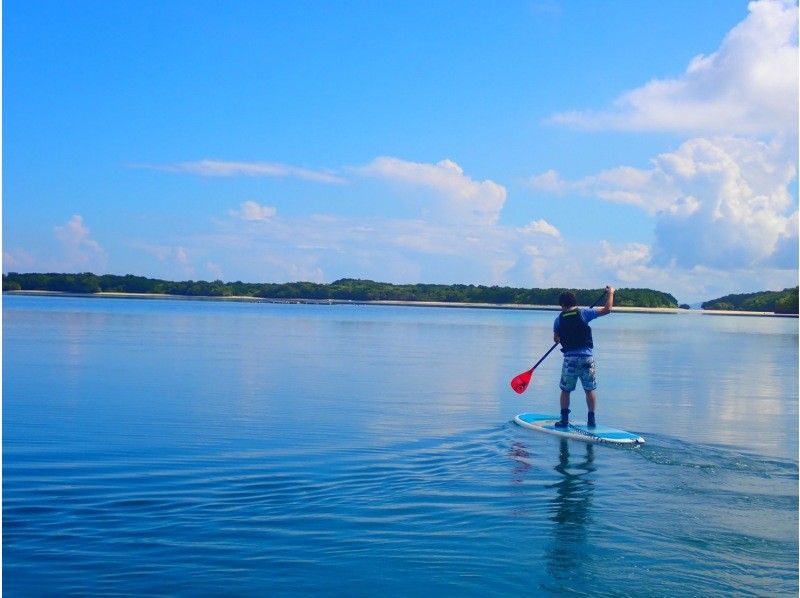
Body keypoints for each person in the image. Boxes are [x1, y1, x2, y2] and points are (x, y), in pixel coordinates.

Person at [552, 286, 615, 428]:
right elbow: (607, 309)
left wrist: (562, 335)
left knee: (565, 390)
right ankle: (591, 420)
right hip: (587, 359)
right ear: (575, 302)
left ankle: (564, 420)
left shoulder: (558, 320)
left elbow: (556, 339)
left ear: (562, 305)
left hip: (570, 360)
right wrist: (610, 293)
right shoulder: (584, 313)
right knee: (589, 389)